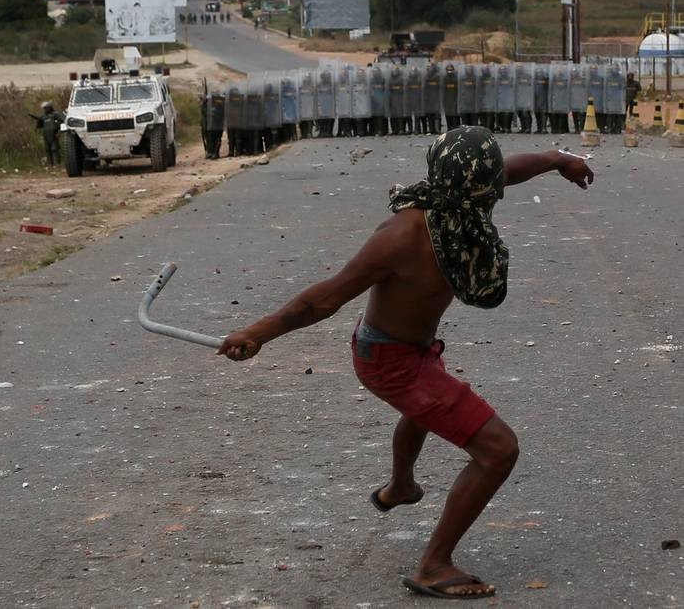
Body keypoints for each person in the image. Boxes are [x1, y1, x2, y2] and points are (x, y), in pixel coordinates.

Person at [217, 127, 595, 600]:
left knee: (425, 406)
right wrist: (257, 333)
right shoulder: (402, 234)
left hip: (413, 351)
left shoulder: (463, 203)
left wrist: (558, 159)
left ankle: (399, 487)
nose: (494, 187)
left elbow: (504, 173)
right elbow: (324, 300)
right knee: (498, 450)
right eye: (489, 181)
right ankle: (433, 565)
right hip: (389, 361)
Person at [31, 102, 64, 166]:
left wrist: (59, 132)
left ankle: (57, 163)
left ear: (50, 108)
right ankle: (50, 164)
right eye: (44, 108)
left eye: (46, 108)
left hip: (54, 134)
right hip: (46, 135)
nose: (45, 109)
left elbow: (62, 122)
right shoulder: (43, 116)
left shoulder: (55, 114)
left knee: (55, 149)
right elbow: (39, 124)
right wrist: (35, 118)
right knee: (47, 149)